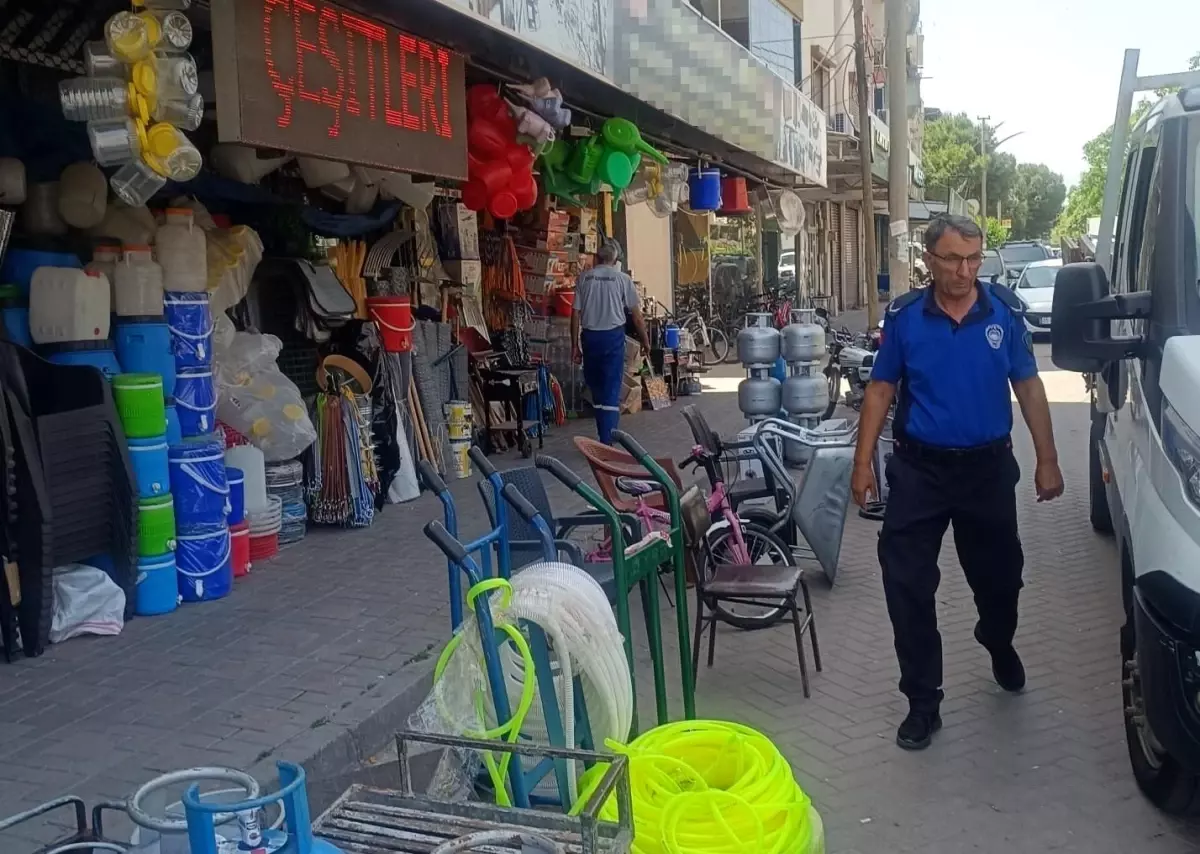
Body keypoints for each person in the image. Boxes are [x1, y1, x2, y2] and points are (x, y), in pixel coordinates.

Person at [851, 213, 1064, 751]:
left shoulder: (1004, 314)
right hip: (920, 470)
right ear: (929, 260)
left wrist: (1048, 459)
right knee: (907, 585)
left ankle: (996, 637)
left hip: (986, 471)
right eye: (952, 259)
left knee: (1001, 580)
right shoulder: (906, 318)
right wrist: (861, 464)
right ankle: (923, 701)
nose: (965, 270)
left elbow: (1030, 388)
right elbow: (879, 390)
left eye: (973, 258)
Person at [571, 241, 651, 445]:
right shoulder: (623, 279)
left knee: (596, 387)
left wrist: (574, 345)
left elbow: (575, 314)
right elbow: (637, 317)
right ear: (615, 261)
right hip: (612, 338)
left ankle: (604, 435)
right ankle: (607, 439)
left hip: (590, 338)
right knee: (611, 389)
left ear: (596, 258)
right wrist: (645, 340)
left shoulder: (583, 279)